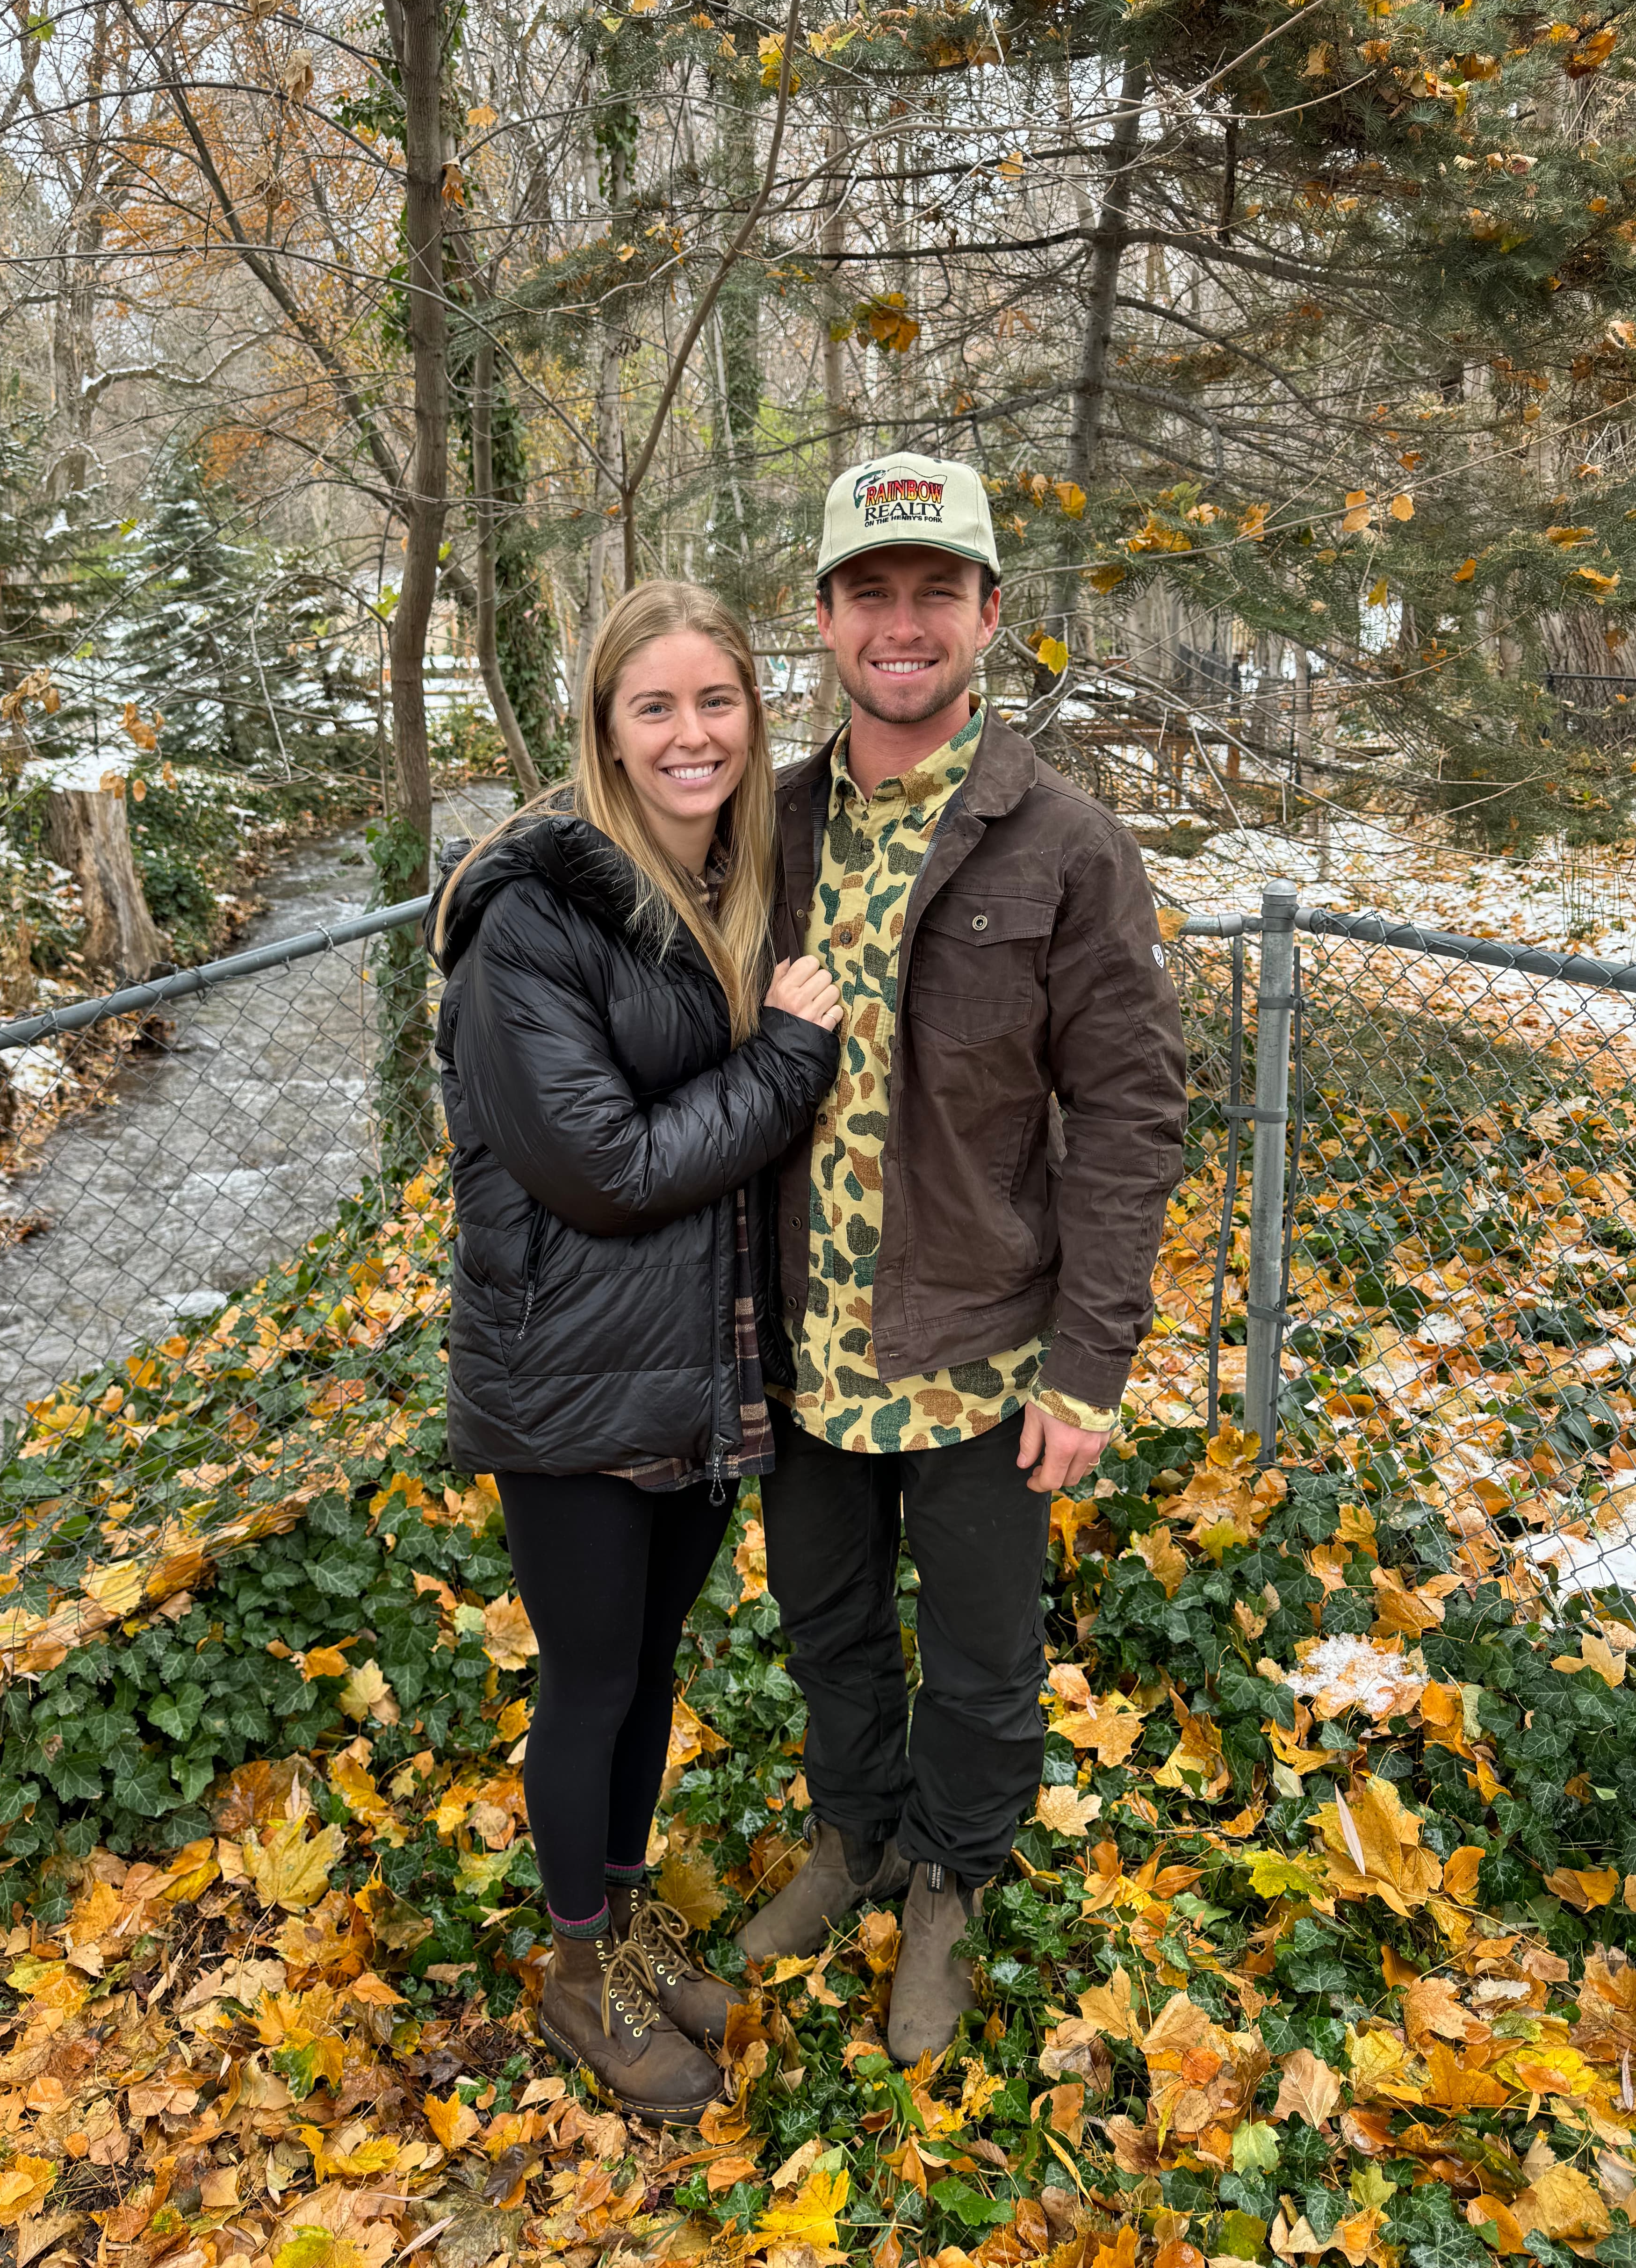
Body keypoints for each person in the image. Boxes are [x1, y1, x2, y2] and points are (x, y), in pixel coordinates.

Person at [735, 452, 1189, 2064]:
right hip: (797, 1343)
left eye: (937, 592)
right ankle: (854, 1837)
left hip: (986, 1344)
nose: (903, 624)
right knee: (828, 1621)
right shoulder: (765, 826)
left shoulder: (1063, 843)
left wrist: (1090, 1362)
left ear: (991, 617)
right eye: (873, 592)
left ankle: (947, 1877)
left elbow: (1132, 1113)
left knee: (988, 1653)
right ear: (827, 621)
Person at [428, 581, 843, 2125]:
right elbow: (599, 1167)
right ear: (605, 724)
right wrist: (791, 1060)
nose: (692, 735)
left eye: (716, 703)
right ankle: (577, 1975)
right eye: (655, 706)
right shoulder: (527, 921)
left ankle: (618, 1913)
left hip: (693, 1360)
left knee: (653, 1666)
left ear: (754, 711)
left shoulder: (736, 881)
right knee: (592, 1679)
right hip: (569, 1382)